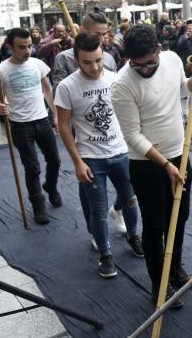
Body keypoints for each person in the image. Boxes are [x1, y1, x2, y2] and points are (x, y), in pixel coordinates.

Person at [111, 24, 192, 304]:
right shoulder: (121, 85)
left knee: (179, 217)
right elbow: (132, 136)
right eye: (137, 65)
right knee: (154, 226)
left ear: (158, 49)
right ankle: (159, 283)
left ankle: (174, 266)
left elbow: (180, 89)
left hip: (181, 152)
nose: (144, 70)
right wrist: (165, 165)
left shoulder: (173, 60)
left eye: (149, 63)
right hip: (147, 164)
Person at [55, 32, 144, 278]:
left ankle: (133, 236)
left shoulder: (117, 79)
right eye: (87, 62)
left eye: (98, 60)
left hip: (122, 152)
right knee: (98, 210)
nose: (94, 67)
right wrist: (77, 161)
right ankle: (105, 254)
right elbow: (63, 126)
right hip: (91, 157)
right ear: (76, 59)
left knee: (130, 199)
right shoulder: (66, 87)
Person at [0, 28, 61, 225]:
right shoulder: (0, 71)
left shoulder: (38, 64)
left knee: (55, 160)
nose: (27, 50)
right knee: (32, 167)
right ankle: (38, 205)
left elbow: (47, 89)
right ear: (10, 47)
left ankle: (51, 186)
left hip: (42, 120)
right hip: (20, 125)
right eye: (22, 47)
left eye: (29, 46)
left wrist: (55, 114)